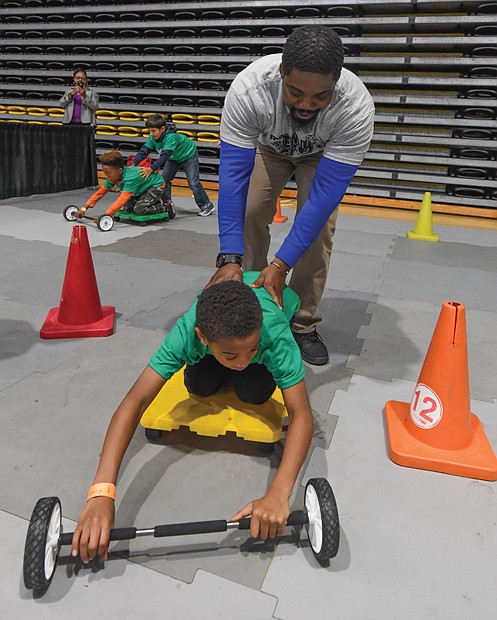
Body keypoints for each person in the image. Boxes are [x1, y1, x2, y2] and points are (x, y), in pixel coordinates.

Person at [71, 274, 313, 564]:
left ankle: (238, 353)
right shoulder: (186, 331)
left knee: (253, 391)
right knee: (199, 386)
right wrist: (101, 493)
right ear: (201, 337)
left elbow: (301, 414)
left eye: (251, 350)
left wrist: (279, 492)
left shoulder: (273, 333)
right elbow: (134, 402)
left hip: (275, 306)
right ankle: (220, 359)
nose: (243, 361)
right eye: (232, 355)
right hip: (218, 332)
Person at [208, 26, 375, 365]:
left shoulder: (355, 107)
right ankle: (251, 302)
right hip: (269, 149)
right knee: (250, 212)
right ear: (282, 71)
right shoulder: (249, 90)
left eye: (320, 97)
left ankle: (303, 323)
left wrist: (281, 264)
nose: (306, 104)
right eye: (296, 92)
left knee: (318, 232)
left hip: (322, 154)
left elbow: (324, 195)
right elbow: (232, 179)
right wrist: (229, 257)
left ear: (337, 82)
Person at [131, 114, 216, 217]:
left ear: (162, 129)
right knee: (164, 181)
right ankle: (167, 203)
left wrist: (151, 168)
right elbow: (144, 151)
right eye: (149, 131)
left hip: (188, 155)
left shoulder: (170, 137)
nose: (151, 134)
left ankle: (206, 205)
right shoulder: (152, 137)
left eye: (153, 131)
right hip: (174, 157)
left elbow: (164, 156)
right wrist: (134, 163)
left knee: (193, 182)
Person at [75, 150, 169, 219]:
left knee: (139, 209)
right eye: (104, 172)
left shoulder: (131, 178)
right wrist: (84, 209)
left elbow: (122, 198)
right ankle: (148, 200)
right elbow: (100, 193)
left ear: (119, 171)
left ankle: (165, 207)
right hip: (141, 188)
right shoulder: (113, 177)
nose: (106, 176)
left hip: (156, 185)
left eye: (108, 173)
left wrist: (107, 215)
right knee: (127, 208)